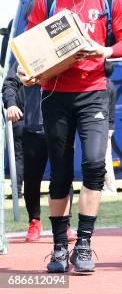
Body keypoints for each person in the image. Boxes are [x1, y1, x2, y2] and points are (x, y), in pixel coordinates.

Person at [19, 0, 122, 273]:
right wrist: (27, 74)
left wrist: (104, 49)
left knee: (96, 164)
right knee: (61, 171)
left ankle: (83, 244)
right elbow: (30, 49)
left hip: (94, 91)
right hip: (55, 94)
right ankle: (57, 248)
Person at [4, 64, 77, 242]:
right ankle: (34, 221)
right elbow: (9, 83)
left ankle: (65, 223)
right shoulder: (28, 53)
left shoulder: (63, 53)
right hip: (33, 131)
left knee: (63, 177)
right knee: (31, 179)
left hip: (60, 128)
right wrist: (11, 104)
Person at [2, 63, 24, 198]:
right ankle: (16, 190)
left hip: (52, 117)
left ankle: (60, 190)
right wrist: (11, 104)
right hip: (21, 116)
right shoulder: (24, 57)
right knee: (19, 155)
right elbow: (9, 84)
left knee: (60, 154)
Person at [102, 61, 118, 196]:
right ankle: (106, 186)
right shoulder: (111, 84)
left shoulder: (105, 86)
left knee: (105, 158)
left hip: (105, 125)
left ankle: (110, 188)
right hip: (109, 125)